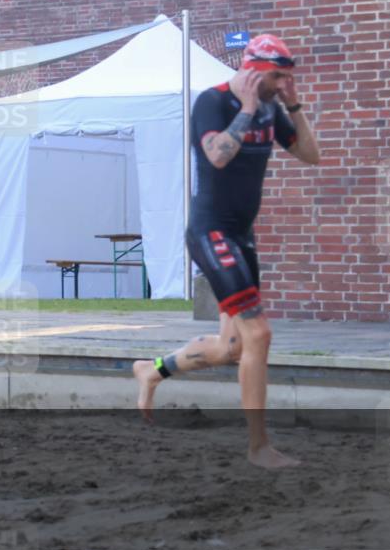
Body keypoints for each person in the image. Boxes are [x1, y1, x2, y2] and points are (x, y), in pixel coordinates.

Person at [132, 34, 320, 469]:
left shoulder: (275, 108)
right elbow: (216, 156)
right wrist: (250, 111)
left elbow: (312, 155)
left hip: (242, 236)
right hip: (210, 232)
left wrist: (292, 106)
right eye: (278, 77)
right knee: (260, 335)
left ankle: (151, 370)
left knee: (233, 346)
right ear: (253, 70)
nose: (282, 84)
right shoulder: (212, 102)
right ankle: (259, 447)